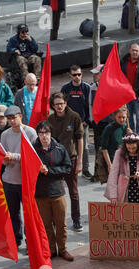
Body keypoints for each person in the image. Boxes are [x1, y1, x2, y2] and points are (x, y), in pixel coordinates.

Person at [34, 121, 74, 261]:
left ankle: (63, 249)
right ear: (38, 134)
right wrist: (37, 170)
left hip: (58, 192)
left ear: (51, 133)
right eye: (41, 133)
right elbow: (26, 169)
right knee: (46, 225)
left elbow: (67, 168)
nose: (44, 136)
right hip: (40, 194)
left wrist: (49, 171)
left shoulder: (59, 148)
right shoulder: (32, 150)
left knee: (61, 224)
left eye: (47, 133)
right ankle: (51, 250)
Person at [0, 105, 37, 247]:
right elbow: (2, 155)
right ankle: (16, 238)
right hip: (9, 179)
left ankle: (30, 241)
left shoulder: (30, 132)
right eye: (8, 119)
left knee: (29, 213)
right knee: (13, 213)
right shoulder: (5, 134)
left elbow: (33, 156)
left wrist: (13, 156)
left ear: (20, 116)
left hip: (25, 180)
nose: (11, 121)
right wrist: (5, 159)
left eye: (13, 118)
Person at [47, 92, 84, 232]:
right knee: (54, 192)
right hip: (56, 160)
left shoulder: (74, 117)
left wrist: (80, 161)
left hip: (71, 159)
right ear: (53, 106)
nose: (59, 106)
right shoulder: (50, 119)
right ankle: (56, 221)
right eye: (56, 104)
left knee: (73, 192)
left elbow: (80, 139)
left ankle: (76, 219)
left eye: (61, 103)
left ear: (65, 103)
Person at [104, 133, 139, 205]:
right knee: (126, 215)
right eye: (128, 148)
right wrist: (113, 196)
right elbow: (113, 175)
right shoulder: (119, 153)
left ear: (138, 145)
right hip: (124, 190)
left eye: (134, 148)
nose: (131, 150)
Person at [61, 65, 92, 180]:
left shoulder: (87, 88)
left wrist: (88, 121)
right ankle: (67, 169)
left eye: (79, 74)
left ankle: (85, 169)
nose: (77, 77)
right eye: (74, 75)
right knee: (68, 145)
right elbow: (61, 104)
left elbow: (90, 105)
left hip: (82, 123)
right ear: (70, 75)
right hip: (69, 123)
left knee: (84, 146)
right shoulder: (65, 88)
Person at [121, 44, 139, 136]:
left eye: (136, 51)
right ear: (129, 51)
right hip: (126, 95)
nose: (134, 52)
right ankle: (131, 134)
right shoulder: (123, 62)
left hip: (138, 95)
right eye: (133, 50)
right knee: (128, 117)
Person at [89, 64, 111, 182]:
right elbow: (90, 105)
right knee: (99, 147)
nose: (94, 75)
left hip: (110, 122)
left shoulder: (112, 87)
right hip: (98, 122)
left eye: (97, 73)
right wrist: (92, 119)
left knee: (110, 147)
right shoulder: (93, 87)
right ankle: (97, 173)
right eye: (94, 73)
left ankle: (110, 172)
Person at [101, 106, 132, 172]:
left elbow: (133, 145)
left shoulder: (127, 127)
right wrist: (109, 164)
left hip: (125, 159)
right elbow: (104, 148)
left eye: (123, 117)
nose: (121, 119)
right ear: (115, 116)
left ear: (126, 117)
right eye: (119, 117)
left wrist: (131, 134)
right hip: (113, 159)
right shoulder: (108, 128)